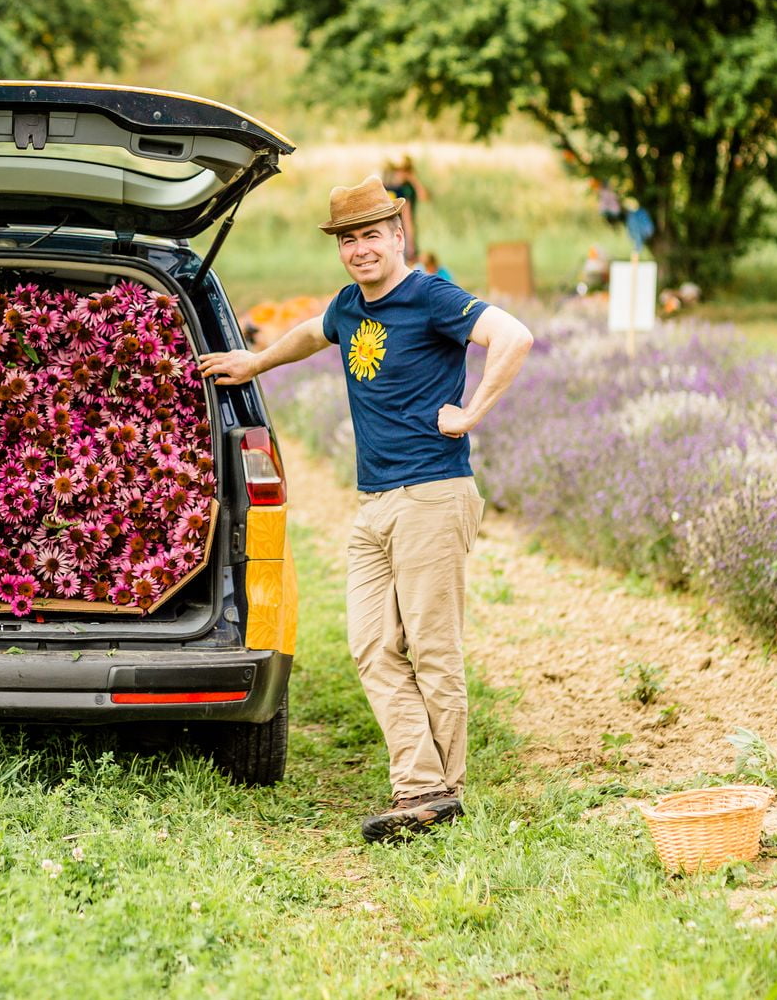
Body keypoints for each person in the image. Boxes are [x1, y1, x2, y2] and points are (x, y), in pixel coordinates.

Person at [197, 175, 533, 843]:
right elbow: (312, 331)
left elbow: (514, 335)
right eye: (349, 239)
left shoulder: (430, 295)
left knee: (432, 646)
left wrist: (471, 413)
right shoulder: (350, 305)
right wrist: (256, 360)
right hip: (376, 501)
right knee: (373, 645)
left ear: (399, 234)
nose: (360, 249)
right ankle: (422, 784)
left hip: (433, 492)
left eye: (371, 235)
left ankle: (440, 789)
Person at [385, 155, 429, 262]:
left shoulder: (407, 188)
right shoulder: (394, 188)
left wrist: (412, 179)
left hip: (391, 233)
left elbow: (424, 197)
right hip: (399, 233)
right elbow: (407, 218)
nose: (401, 174)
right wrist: (410, 244)